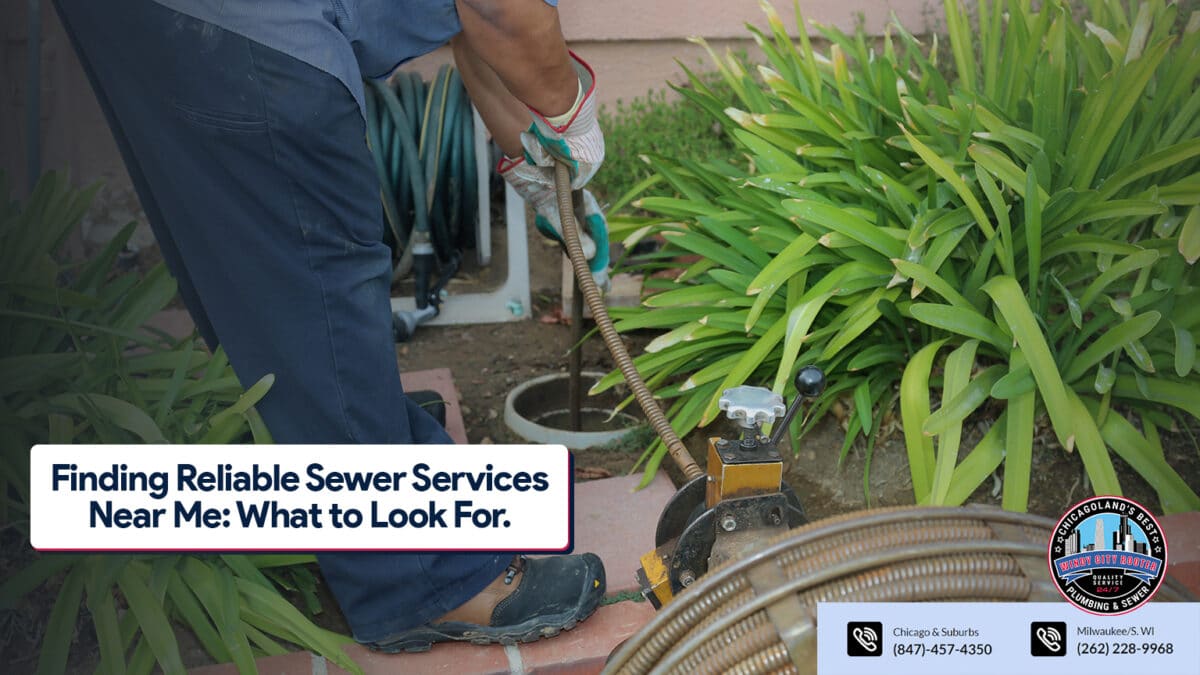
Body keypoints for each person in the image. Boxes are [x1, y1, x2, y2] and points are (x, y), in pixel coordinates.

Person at [50, 0, 610, 652]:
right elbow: (500, 11)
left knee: (265, 273)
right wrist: (572, 112)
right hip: (249, 40)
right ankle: (423, 577)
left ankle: (355, 435)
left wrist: (528, 152)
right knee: (317, 284)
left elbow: (474, 21)